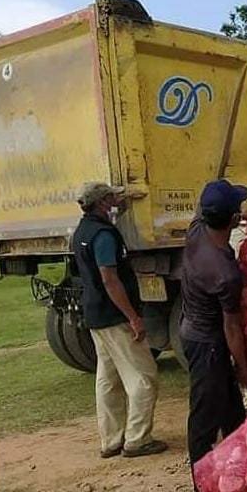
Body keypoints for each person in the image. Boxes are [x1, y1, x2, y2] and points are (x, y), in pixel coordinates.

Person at [71, 182, 166, 459]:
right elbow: (110, 279)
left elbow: (113, 211)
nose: (115, 199)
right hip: (114, 317)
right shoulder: (104, 236)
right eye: (111, 196)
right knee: (144, 377)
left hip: (95, 315)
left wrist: (123, 201)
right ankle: (137, 439)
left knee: (108, 379)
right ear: (102, 203)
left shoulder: (83, 231)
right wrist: (133, 317)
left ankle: (111, 440)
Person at [181, 180, 247, 475]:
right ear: (231, 219)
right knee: (205, 417)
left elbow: (203, 210)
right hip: (209, 344)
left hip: (193, 332)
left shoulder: (195, 233)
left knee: (233, 413)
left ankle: (239, 474)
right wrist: (243, 369)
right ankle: (201, 484)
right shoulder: (225, 273)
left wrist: (239, 217)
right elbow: (232, 326)